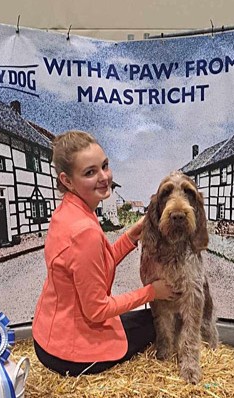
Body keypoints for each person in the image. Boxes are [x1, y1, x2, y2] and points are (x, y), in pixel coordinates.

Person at [32, 130, 175, 376]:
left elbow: (95, 265)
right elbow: (97, 311)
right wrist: (153, 291)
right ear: (67, 181)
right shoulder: (84, 231)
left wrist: (131, 236)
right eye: (90, 172)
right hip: (69, 354)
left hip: (49, 337)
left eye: (105, 166)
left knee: (141, 318)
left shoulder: (68, 212)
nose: (104, 177)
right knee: (158, 321)